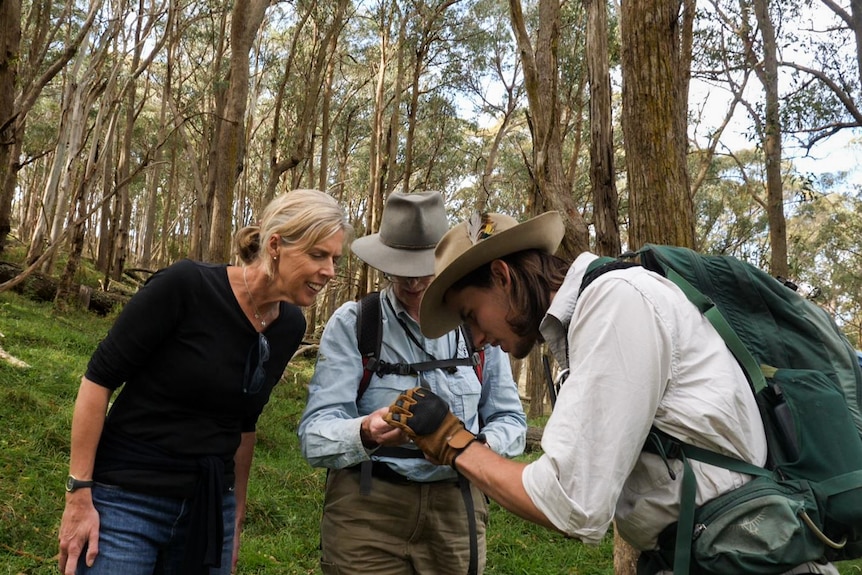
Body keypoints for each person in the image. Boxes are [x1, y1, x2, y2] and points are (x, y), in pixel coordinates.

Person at [383, 210, 838, 575]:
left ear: (501, 276)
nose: (477, 339)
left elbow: (570, 502)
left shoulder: (614, 302)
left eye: (470, 315)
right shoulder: (586, 322)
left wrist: (454, 442)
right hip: (712, 551)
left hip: (750, 554)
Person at [57, 189, 352, 575]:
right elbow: (98, 381)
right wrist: (79, 494)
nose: (329, 270)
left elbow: (246, 424)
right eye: (318, 255)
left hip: (210, 505)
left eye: (335, 258)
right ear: (276, 245)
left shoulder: (290, 326)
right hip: (128, 496)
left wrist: (236, 517)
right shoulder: (186, 287)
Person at [298, 191, 527, 575]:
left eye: (425, 267)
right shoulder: (356, 323)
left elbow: (511, 422)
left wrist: (468, 446)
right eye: (401, 267)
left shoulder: (478, 327)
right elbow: (313, 436)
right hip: (366, 508)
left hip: (456, 508)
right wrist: (367, 430)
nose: (415, 280)